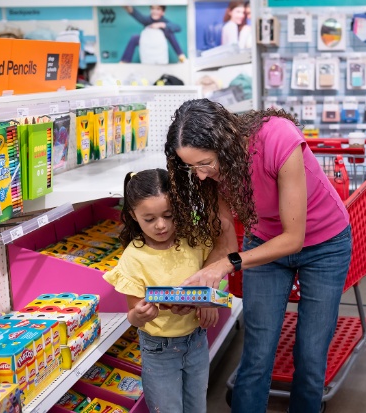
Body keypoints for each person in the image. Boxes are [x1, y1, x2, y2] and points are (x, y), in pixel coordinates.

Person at [164, 99, 352, 413]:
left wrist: (229, 264)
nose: (199, 175)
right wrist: (198, 288)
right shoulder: (212, 176)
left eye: (205, 163)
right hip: (264, 241)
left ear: (224, 145)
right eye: (191, 167)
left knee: (311, 352)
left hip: (325, 245)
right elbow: (224, 245)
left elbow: (293, 239)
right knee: (257, 349)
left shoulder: (278, 137)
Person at [103, 169, 219, 413]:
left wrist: (211, 302)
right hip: (158, 348)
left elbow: (215, 274)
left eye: (169, 215)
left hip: (196, 340)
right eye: (149, 219)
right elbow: (133, 314)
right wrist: (141, 314)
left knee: (197, 405)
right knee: (167, 408)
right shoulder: (134, 257)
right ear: (133, 215)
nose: (161, 225)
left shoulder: (195, 240)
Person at [120, 6, 187, 63]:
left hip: (159, 48)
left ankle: (181, 57)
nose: (155, 11)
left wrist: (161, 25)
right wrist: (126, 5)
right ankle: (124, 61)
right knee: (134, 37)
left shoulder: (164, 21)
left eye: (158, 9)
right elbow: (135, 13)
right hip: (147, 43)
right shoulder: (147, 20)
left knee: (170, 32)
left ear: (163, 12)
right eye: (153, 8)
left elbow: (178, 28)